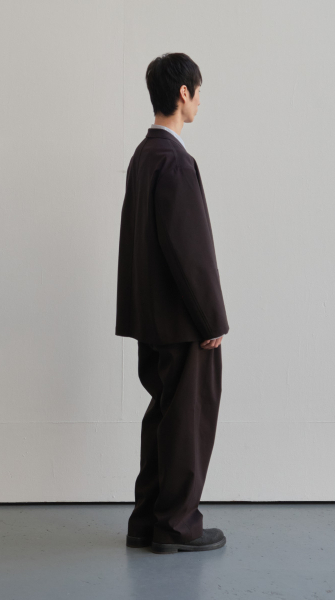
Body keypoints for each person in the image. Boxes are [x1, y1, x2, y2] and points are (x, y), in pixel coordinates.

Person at [115, 52, 230, 554]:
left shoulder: (144, 155)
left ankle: (146, 521)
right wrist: (212, 319)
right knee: (187, 421)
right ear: (183, 93)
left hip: (151, 318)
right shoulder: (175, 161)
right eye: (198, 91)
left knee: (162, 417)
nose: (201, 100)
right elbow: (190, 252)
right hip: (184, 323)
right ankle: (177, 526)